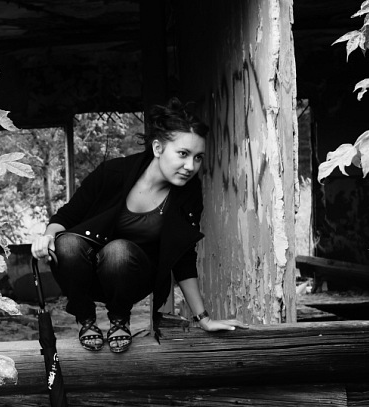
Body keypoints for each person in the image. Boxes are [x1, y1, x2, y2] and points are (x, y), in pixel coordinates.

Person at [31, 98, 247, 353]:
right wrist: (47, 238)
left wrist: (204, 318)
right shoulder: (113, 173)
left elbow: (183, 256)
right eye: (183, 154)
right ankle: (86, 319)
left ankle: (120, 319)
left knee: (119, 250)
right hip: (88, 272)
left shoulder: (188, 193)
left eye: (198, 157)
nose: (191, 166)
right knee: (65, 242)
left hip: (134, 276)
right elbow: (66, 217)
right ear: (158, 148)